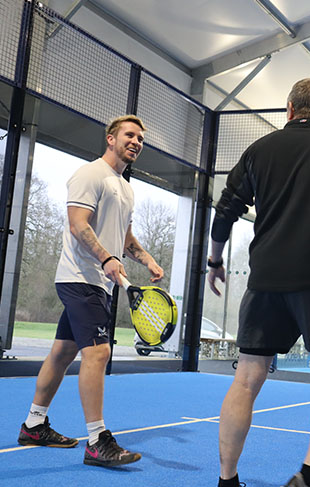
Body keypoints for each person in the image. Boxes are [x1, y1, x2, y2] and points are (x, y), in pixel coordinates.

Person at [207, 78, 310, 487]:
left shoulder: (259, 150)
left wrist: (214, 260)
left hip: (264, 280)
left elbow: (226, 211)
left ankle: (227, 481)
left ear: (289, 109)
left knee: (246, 379)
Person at [18, 115, 164, 467]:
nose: (136, 142)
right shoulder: (90, 174)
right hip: (80, 277)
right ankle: (97, 440)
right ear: (111, 139)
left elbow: (125, 239)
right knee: (98, 354)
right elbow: (77, 223)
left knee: (62, 354)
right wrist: (105, 257)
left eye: (141, 138)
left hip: (98, 282)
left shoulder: (126, 187)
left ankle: (34, 425)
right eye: (130, 135)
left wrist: (146, 260)